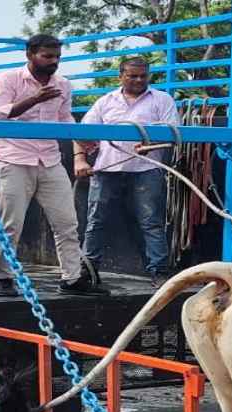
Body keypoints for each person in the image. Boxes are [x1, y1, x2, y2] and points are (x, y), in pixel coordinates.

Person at [0, 34, 107, 297]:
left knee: (67, 222)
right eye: (47, 56)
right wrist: (34, 99)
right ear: (30, 54)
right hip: (13, 158)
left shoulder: (63, 84)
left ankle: (71, 279)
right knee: (11, 225)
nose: (54, 62)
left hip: (49, 159)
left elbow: (64, 119)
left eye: (57, 57)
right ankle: (2, 277)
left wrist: (83, 140)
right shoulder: (9, 79)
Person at [73, 57, 181, 287]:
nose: (139, 80)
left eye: (143, 76)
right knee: (96, 221)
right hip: (107, 169)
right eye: (133, 76)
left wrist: (151, 145)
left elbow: (174, 135)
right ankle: (88, 270)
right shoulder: (105, 102)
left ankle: (160, 272)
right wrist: (80, 160)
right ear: (120, 76)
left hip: (147, 168)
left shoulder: (162, 100)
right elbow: (81, 133)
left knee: (151, 222)